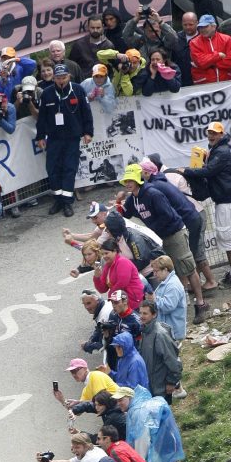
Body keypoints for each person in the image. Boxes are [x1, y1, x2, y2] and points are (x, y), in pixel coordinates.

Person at [117, 164, 209, 324]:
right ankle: (182, 305)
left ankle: (201, 304)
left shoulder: (152, 193)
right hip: (159, 238)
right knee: (171, 271)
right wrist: (119, 205)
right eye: (126, 181)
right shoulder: (133, 198)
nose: (128, 184)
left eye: (131, 180)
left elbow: (168, 216)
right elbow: (126, 213)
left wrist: (151, 231)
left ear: (138, 179)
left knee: (187, 268)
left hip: (174, 233)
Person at [178, 123, 231, 288]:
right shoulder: (219, 150)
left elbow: (207, 172)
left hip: (227, 203)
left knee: (229, 241)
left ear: (222, 134)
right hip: (229, 201)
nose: (211, 136)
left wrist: (185, 171)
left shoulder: (221, 152)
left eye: (215, 133)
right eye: (209, 133)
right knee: (229, 239)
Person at [35, 64, 93, 218]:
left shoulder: (78, 90)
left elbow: (87, 113)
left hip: (72, 137)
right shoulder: (47, 94)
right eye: (58, 78)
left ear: (69, 76)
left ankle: (67, 201)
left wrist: (88, 132)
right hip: (54, 138)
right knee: (52, 169)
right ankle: (58, 199)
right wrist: (40, 136)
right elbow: (41, 118)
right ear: (53, 78)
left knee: (69, 168)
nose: (61, 81)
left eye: (64, 77)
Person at [137, 300, 183, 400]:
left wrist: (171, 382)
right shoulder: (144, 331)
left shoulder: (160, 335)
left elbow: (173, 361)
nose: (141, 316)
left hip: (160, 389)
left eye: (145, 313)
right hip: (150, 386)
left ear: (154, 315)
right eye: (140, 312)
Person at [93, 244, 144, 311]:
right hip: (120, 302)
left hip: (133, 300)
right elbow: (102, 289)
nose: (104, 256)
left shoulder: (123, 262)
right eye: (102, 254)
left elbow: (122, 283)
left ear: (115, 251)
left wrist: (111, 295)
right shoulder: (107, 266)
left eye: (106, 253)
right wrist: (97, 277)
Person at [189, 15, 231, 83]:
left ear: (214, 26)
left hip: (225, 82)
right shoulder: (194, 43)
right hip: (203, 84)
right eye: (200, 27)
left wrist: (209, 62)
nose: (202, 29)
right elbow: (201, 62)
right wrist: (218, 55)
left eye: (205, 26)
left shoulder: (227, 39)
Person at [151, 256, 186, 342]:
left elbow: (168, 306)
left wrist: (154, 299)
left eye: (156, 271)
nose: (154, 274)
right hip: (168, 330)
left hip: (173, 331)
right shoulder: (165, 282)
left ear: (165, 269)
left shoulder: (173, 285)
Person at [173, 12, 198, 86]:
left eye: (190, 24)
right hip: (182, 80)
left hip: (199, 80)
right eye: (185, 25)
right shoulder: (176, 38)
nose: (188, 27)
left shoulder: (203, 38)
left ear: (197, 23)